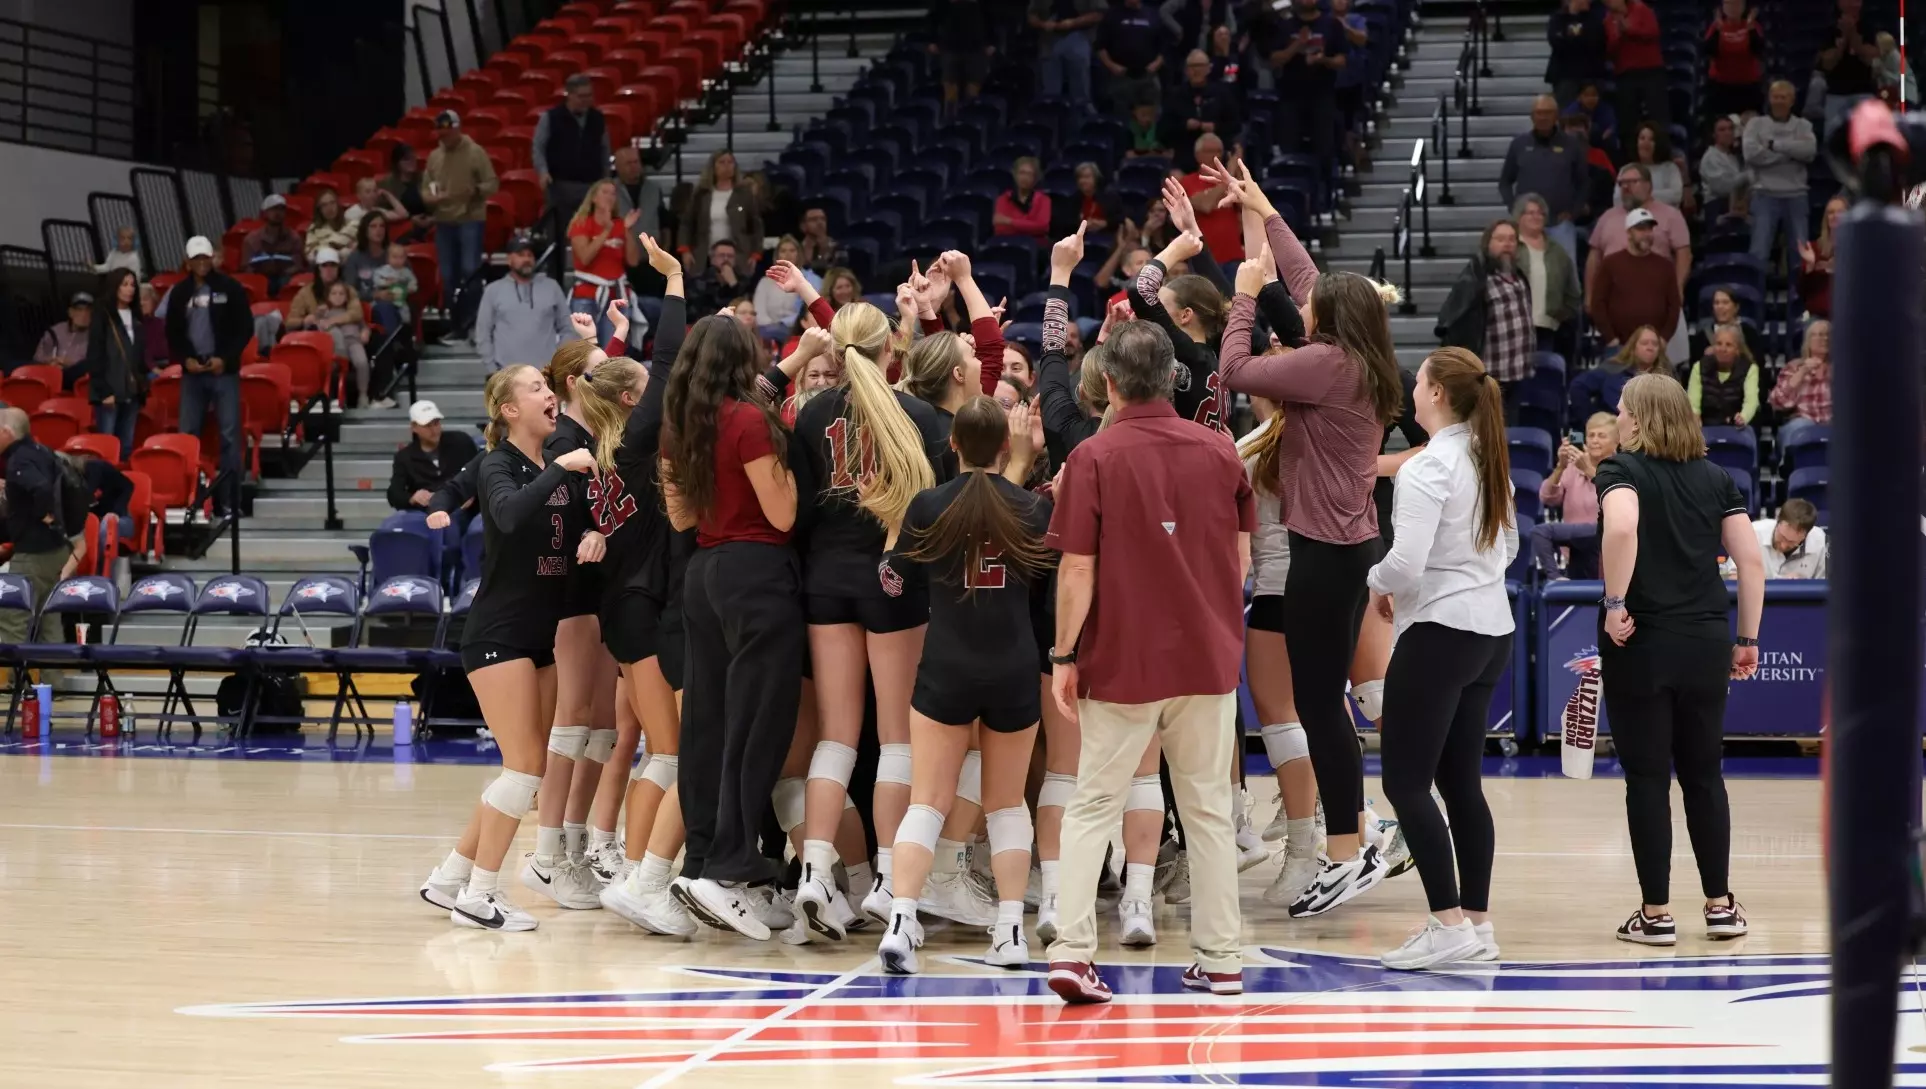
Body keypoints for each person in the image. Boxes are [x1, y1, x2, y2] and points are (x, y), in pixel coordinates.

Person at [1215, 157, 1406, 919]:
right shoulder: (1360, 355)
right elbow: (1308, 283)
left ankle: (1345, 848)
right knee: (1324, 703)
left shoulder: (1324, 365)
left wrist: (1240, 295)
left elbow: (1233, 368)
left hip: (1324, 560)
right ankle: (1351, 839)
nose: (1305, 302)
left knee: (1321, 706)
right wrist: (1264, 210)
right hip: (1348, 548)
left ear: (1332, 321)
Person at [1042, 320, 1253, 1005]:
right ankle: (1221, 958)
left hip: (1123, 657)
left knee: (1094, 801)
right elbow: (1242, 563)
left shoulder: (1094, 457)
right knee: (1208, 810)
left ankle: (1073, 951)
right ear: (1170, 378)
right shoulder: (1221, 453)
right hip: (1205, 656)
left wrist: (1064, 653)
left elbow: (1077, 569)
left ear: (1107, 382)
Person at [774, 283, 948, 937]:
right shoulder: (918, 415)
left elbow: (800, 508)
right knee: (896, 738)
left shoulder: (813, 414)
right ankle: (882, 874)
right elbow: (929, 512)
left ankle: (816, 870)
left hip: (824, 581)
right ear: (889, 347)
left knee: (836, 736)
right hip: (892, 581)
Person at [415, 364, 599, 932]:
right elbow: (510, 515)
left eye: (549, 386)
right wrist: (561, 470)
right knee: (522, 771)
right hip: (496, 635)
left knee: (526, 770)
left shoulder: (559, 466)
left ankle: (451, 875)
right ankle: (481, 894)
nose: (550, 394)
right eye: (537, 388)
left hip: (539, 637)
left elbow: (578, 526)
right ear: (510, 410)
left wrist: (594, 530)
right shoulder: (500, 464)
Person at [875, 396, 1053, 973]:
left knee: (927, 799)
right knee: (1005, 806)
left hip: (946, 665)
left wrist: (888, 544)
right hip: (1013, 668)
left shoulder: (928, 505)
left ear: (952, 445)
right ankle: (1008, 934)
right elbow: (1048, 599)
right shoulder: (1032, 509)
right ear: (1008, 445)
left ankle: (902, 922)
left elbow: (893, 586)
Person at [1596, 372, 1762, 945]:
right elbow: (1753, 563)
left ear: (1638, 419)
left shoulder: (1620, 469)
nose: (1616, 418)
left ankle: (1656, 914)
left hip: (1641, 641)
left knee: (1647, 778)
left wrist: (1615, 601)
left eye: (1621, 410)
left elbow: (1621, 527)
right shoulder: (1718, 477)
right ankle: (1721, 906)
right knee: (1703, 775)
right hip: (1707, 642)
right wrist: (1748, 639)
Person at [1367, 347, 1517, 970]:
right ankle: (1477, 926)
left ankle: (1446, 924)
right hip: (1491, 631)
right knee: (1460, 785)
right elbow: (1507, 546)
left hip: (1440, 632)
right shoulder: (1490, 460)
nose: (1414, 385)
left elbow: (1405, 562)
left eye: (1420, 377)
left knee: (1404, 782)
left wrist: (1375, 580)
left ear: (1435, 395)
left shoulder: (1428, 468)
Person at [659, 313, 805, 940]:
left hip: (705, 575)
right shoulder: (748, 422)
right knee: (757, 724)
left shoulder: (678, 427)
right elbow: (783, 513)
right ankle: (730, 863)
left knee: (707, 725)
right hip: (756, 575)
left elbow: (681, 516)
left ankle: (701, 859)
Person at [594, 237, 698, 935]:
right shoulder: (632, 445)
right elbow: (669, 360)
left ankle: (639, 873)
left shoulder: (608, 451)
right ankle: (639, 875)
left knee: (660, 748)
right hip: (638, 606)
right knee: (670, 751)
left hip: (625, 608)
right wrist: (676, 282)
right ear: (635, 400)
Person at [164, 237, 252, 500]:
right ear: (188, 262)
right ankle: (188, 496)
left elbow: (244, 328)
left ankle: (229, 500)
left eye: (206, 257)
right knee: (187, 435)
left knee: (229, 435)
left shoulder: (230, 288)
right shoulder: (179, 292)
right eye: (197, 259)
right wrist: (185, 359)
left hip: (222, 371)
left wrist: (224, 359)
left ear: (212, 258)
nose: (202, 263)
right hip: (193, 373)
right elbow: (173, 332)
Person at [1435, 219, 1536, 406]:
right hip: (1489, 375)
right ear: (1487, 244)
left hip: (1518, 371)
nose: (1507, 244)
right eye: (1500, 239)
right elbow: (1453, 321)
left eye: (1512, 239)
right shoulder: (1475, 279)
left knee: (1512, 429)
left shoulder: (1519, 277)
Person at [0, 407, 74, 647]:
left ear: (5, 432)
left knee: (13, 618)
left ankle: (11, 683)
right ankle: (55, 683)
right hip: (56, 547)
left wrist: (44, 513)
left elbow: (41, 488)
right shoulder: (44, 451)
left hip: (33, 553)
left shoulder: (18, 459)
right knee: (49, 621)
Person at [423, 110, 500, 311]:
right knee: (448, 274)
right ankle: (456, 321)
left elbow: (492, 183)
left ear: (457, 129)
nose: (444, 138)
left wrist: (476, 190)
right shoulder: (434, 156)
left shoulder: (475, 152)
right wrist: (431, 198)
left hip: (470, 218)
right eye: (440, 134)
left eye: (447, 133)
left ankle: (475, 318)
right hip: (443, 220)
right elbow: (425, 188)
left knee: (470, 269)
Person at [1585, 165, 1692, 309]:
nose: (1626, 187)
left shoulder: (1670, 215)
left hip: (1655, 295)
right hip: (1613, 297)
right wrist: (1589, 295)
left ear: (1648, 186)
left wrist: (1678, 288)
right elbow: (1594, 257)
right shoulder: (1607, 217)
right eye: (1622, 183)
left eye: (1633, 182)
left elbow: (1684, 254)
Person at [1497, 96, 1590, 256]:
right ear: (1532, 116)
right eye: (1539, 113)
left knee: (1566, 273)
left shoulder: (1572, 145)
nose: (1543, 117)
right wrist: (1514, 208)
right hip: (1526, 224)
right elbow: (1505, 182)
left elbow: (1584, 182)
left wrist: (1573, 212)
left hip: (1560, 224)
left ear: (1556, 116)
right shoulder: (1518, 144)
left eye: (1548, 112)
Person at [1743, 82, 1817, 276]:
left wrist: (1773, 145)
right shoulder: (1755, 124)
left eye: (1784, 97)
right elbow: (1751, 155)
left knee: (1800, 256)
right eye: (1776, 96)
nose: (1779, 101)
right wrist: (1791, 154)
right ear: (1769, 98)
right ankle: (1754, 303)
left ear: (1792, 101)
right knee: (1758, 253)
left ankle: (1799, 303)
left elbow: (1809, 151)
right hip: (1764, 195)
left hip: (1797, 195)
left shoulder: (1803, 125)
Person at [1534, 410, 1616, 577]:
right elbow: (1547, 498)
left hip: (1611, 554)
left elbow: (1615, 496)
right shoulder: (1571, 468)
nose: (1595, 441)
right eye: (1591, 435)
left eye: (1601, 436)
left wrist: (1588, 469)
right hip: (1575, 554)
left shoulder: (1621, 468)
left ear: (1616, 442)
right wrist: (1561, 467)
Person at [1587, 209, 1681, 352]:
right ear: (1629, 232)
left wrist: (1664, 338)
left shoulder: (1665, 266)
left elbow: (1674, 305)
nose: (1647, 234)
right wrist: (1611, 339)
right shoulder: (1611, 263)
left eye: (1649, 229)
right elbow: (1598, 303)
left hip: (1653, 347)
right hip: (1619, 347)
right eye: (1641, 229)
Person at [476, 235, 572, 372]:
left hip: (545, 375)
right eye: (521, 255)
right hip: (507, 376)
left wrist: (558, 361)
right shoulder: (493, 290)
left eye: (530, 255)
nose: (527, 259)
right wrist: (493, 370)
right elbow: (483, 333)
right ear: (509, 259)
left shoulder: (551, 287)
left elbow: (568, 328)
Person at [1267, 0, 1345, 163]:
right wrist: (1297, 45)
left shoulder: (1331, 24)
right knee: (1289, 149)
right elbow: (1274, 59)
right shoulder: (1284, 25)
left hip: (1322, 95)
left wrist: (1323, 60)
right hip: (1291, 96)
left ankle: (1326, 185)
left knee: (1324, 150)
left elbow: (1342, 60)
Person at [567, 179, 641, 343]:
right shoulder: (581, 223)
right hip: (586, 295)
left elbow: (634, 261)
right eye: (605, 192)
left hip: (616, 296)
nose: (609, 197)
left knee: (612, 352)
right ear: (593, 198)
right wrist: (607, 231)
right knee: (584, 352)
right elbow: (585, 257)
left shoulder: (621, 224)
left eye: (613, 193)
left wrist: (626, 230)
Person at [84, 269, 147, 461]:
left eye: (132, 285)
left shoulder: (136, 317)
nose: (129, 290)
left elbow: (139, 356)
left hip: (132, 390)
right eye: (124, 284)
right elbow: (95, 355)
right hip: (109, 391)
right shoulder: (103, 315)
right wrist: (103, 390)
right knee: (108, 447)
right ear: (114, 287)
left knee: (126, 446)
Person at [534, 73, 613, 220]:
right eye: (581, 96)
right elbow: (538, 148)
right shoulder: (550, 118)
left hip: (592, 185)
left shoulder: (598, 118)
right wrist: (543, 172)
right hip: (561, 185)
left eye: (589, 95)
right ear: (569, 95)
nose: (586, 100)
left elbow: (604, 148)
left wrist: (606, 177)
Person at [1512, 194, 1583, 353]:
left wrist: (1559, 315)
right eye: (1530, 212)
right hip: (1513, 328)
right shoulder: (1511, 247)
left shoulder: (1558, 252)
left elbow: (1573, 292)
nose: (1536, 216)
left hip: (1548, 329)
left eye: (1540, 213)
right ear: (1519, 217)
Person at [680, 150, 761, 279]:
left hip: (738, 258)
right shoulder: (701, 194)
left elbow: (756, 226)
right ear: (713, 167)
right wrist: (685, 251)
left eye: (730, 162)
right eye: (722, 162)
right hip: (704, 257)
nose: (726, 166)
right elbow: (687, 223)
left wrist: (755, 254)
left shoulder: (744, 194)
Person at [1570, 324, 1672, 425]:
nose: (1650, 347)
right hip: (1614, 434)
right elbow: (1578, 386)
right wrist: (1594, 421)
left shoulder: (1666, 378)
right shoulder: (1612, 369)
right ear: (1633, 347)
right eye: (1644, 343)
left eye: (1655, 344)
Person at [387, 399, 479, 511]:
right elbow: (394, 493)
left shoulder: (461, 442)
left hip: (465, 510)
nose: (433, 430)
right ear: (414, 428)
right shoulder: (404, 457)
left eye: (436, 423)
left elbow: (482, 474)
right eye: (427, 425)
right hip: (427, 513)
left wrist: (472, 495)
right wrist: (412, 498)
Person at [1160, 51, 1240, 171]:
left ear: (1208, 68)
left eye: (1201, 66)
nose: (1196, 70)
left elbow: (1235, 125)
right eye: (1192, 66)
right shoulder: (1175, 95)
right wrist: (1185, 125)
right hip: (1185, 153)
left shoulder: (1222, 93)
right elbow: (1163, 130)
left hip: (1217, 154)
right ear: (1186, 70)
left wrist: (1215, 127)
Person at [1029, 0, 1107, 112]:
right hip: (1049, 40)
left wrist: (1074, 22)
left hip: (1078, 36)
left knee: (1080, 95)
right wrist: (1043, 24)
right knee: (1050, 95)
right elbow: (1032, 15)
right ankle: (1051, 126)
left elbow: (1099, 14)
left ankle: (1082, 124)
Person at [1178, 133, 1243, 261]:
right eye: (1209, 151)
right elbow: (1205, 206)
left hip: (1234, 256)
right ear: (1197, 156)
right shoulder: (1186, 182)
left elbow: (1247, 207)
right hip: (1204, 259)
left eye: (1219, 151)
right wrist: (1228, 175)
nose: (1216, 155)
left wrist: (1238, 171)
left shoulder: (1231, 180)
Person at [1602, 0, 1665, 132]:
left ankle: (1661, 148)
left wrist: (1629, 30)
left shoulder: (1641, 8)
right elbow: (1609, 51)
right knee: (1627, 118)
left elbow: (1653, 32)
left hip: (1650, 70)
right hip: (1625, 73)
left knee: (1657, 114)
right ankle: (1629, 150)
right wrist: (1618, 36)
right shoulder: (1608, 20)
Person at [1095, 0, 1165, 115]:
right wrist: (1111, 66)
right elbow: (1100, 47)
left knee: (1151, 118)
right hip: (1121, 76)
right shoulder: (1112, 14)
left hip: (1147, 76)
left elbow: (1164, 46)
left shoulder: (1153, 14)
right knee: (1121, 119)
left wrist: (1157, 63)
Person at [1768, 320, 1831, 445]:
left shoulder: (1844, 370)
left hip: (1834, 425)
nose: (1824, 338)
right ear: (1807, 341)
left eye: (1827, 334)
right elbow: (1777, 402)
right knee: (1799, 427)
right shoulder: (1793, 368)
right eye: (1817, 334)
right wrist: (1802, 372)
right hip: (1803, 423)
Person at [1702, 0, 1765, 122]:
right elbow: (1709, 52)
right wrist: (1718, 30)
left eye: (1737, 4)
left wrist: (1751, 29)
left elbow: (1759, 51)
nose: (1733, 8)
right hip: (1721, 85)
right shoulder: (1716, 27)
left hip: (1747, 85)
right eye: (1729, 4)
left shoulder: (1753, 26)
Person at [1686, 325, 1759, 428]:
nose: (1723, 349)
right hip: (1706, 424)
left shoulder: (1750, 369)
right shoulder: (1699, 367)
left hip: (1736, 425)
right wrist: (1695, 417)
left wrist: (1743, 417)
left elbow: (1751, 401)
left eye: (1728, 345)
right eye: (1719, 344)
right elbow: (1693, 402)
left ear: (1737, 350)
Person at [315, 279, 373, 407]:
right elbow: (320, 328)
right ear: (328, 296)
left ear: (347, 297)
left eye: (341, 294)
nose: (338, 297)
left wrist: (365, 332)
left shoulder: (352, 313)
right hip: (335, 347)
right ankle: (339, 399)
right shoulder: (325, 313)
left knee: (362, 362)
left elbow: (364, 326)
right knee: (334, 364)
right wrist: (320, 317)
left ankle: (363, 395)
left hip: (353, 340)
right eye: (334, 293)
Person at [930, 0, 994, 110]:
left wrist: (991, 42)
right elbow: (933, 18)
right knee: (950, 86)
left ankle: (969, 117)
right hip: (950, 46)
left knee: (973, 88)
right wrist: (932, 40)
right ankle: (951, 120)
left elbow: (989, 18)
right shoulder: (943, 3)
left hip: (975, 47)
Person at [1613, 122, 1691, 211]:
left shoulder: (1670, 168)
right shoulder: (1626, 169)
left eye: (1651, 139)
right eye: (1642, 138)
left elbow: (1676, 195)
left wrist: (1639, 195)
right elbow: (1617, 200)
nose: (1646, 143)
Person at [241, 195, 307, 297]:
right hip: (261, 278)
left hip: (286, 278)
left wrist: (284, 272)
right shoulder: (252, 239)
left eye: (281, 209)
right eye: (273, 209)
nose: (277, 213)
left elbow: (298, 265)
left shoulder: (294, 238)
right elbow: (246, 266)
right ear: (265, 213)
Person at [1545, 0, 1606, 104]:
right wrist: (1574, 18)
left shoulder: (1594, 19)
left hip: (1591, 76)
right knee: (1565, 114)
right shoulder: (1557, 18)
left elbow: (1595, 43)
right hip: (1565, 76)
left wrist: (1570, 37)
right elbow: (1557, 43)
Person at [1796, 195, 1846, 320]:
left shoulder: (1858, 249)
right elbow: (1802, 293)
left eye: (1840, 212)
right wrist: (1810, 267)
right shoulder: (1814, 248)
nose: (1835, 216)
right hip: (1819, 316)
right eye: (1831, 213)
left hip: (1849, 316)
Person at [285, 248, 358, 333]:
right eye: (324, 265)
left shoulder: (349, 290)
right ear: (318, 269)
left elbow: (356, 313)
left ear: (339, 269)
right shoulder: (305, 293)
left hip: (344, 332)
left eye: (333, 265)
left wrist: (333, 320)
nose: (329, 269)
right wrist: (304, 320)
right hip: (316, 336)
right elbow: (289, 322)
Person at [1751, 497, 1826, 579]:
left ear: (1806, 535)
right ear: (1778, 521)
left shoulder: (1820, 541)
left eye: (1792, 542)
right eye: (1782, 537)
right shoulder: (1752, 533)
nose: (1783, 545)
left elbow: (1826, 585)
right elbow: (1735, 578)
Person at [1687, 287, 1765, 362]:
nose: (1720, 307)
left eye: (1725, 302)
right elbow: (1694, 366)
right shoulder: (1702, 336)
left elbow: (1759, 363)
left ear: (1736, 307)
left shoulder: (1748, 332)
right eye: (1716, 303)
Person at [33, 292, 92, 388]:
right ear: (70, 312)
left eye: (88, 311)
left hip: (75, 381)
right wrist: (50, 361)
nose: (84, 314)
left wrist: (70, 363)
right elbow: (37, 357)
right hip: (49, 374)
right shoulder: (55, 331)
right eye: (79, 310)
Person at [1698, 114, 1751, 214]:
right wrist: (1748, 175)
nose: (1727, 133)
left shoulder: (1733, 156)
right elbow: (1723, 187)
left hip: (1736, 204)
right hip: (1717, 207)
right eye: (1722, 130)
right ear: (1714, 134)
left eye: (1730, 129)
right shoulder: (1711, 157)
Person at [378, 143, 434, 237]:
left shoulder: (426, 179)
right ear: (397, 163)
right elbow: (382, 212)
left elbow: (439, 206)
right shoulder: (387, 184)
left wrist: (432, 219)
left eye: (413, 158)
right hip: (400, 229)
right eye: (406, 159)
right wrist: (410, 220)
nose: (412, 162)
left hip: (430, 226)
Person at [993, 157, 1053, 241]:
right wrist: (1029, 225)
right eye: (1022, 173)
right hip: (1008, 243)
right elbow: (1000, 228)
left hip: (1036, 245)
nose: (1025, 178)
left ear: (1035, 179)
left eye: (1029, 174)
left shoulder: (1044, 200)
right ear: (1015, 175)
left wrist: (1010, 222)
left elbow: (1042, 227)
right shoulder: (1003, 199)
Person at [370, 243, 420, 336]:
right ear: (388, 258)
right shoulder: (382, 270)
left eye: (401, 257)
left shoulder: (406, 272)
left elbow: (413, 282)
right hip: (384, 297)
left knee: (406, 313)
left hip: (400, 299)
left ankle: (405, 329)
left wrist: (410, 288)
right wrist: (386, 283)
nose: (398, 260)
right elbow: (376, 279)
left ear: (405, 259)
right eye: (395, 257)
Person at [343, 211, 392, 303]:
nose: (378, 230)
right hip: (365, 305)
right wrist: (374, 295)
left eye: (382, 226)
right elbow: (350, 291)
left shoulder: (394, 254)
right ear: (365, 230)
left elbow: (407, 281)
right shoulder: (355, 258)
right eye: (373, 226)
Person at [688, 240, 746, 315]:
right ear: (712, 259)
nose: (726, 259)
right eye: (721, 255)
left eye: (730, 256)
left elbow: (745, 308)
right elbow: (694, 312)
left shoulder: (744, 281)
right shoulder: (699, 281)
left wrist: (733, 284)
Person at [304, 187, 356, 260]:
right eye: (324, 205)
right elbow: (311, 255)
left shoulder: (352, 224)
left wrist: (323, 246)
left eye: (332, 203)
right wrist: (339, 247)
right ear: (319, 209)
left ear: (337, 204)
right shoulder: (314, 229)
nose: (329, 208)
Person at [796, 206, 841, 275]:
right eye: (814, 219)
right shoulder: (795, 249)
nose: (820, 223)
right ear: (803, 226)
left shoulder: (837, 248)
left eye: (823, 219)